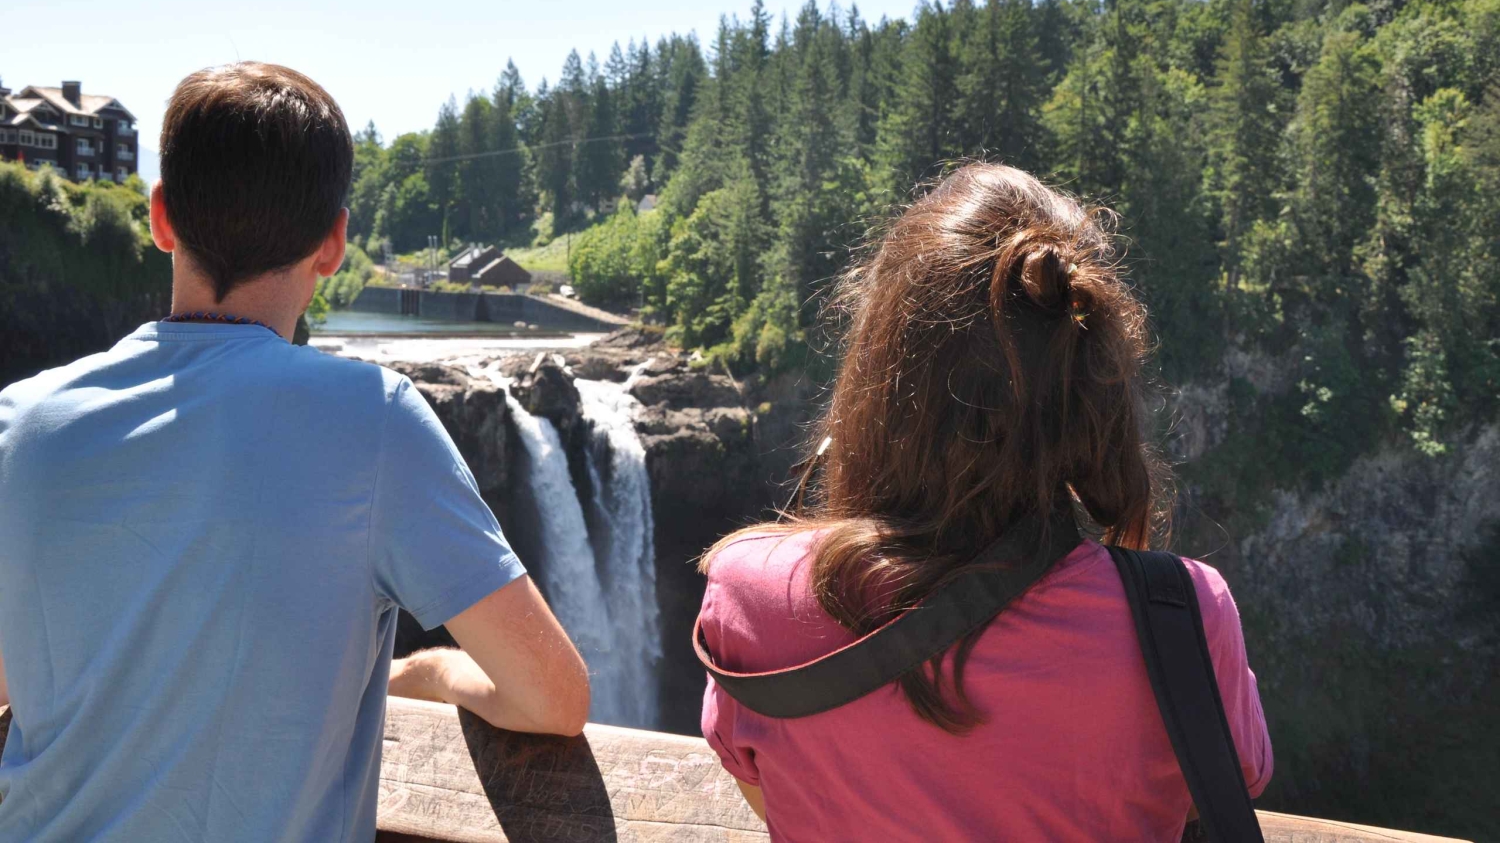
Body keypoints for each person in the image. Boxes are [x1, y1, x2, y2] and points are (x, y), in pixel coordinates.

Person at [0, 63, 589, 842]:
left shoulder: (21, 425)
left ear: (161, 217)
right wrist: (428, 672)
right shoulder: (375, 423)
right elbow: (554, 696)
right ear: (335, 243)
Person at [696, 164, 1272, 842]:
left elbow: (768, 790)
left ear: (878, 379)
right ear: (1090, 390)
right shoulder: (1185, 616)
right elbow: (1221, 784)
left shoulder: (748, 594)